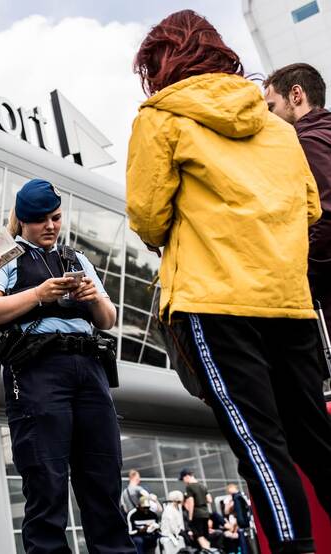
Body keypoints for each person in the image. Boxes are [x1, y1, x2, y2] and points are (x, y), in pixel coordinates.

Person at [127, 10, 331, 554]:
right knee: (316, 441)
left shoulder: (160, 117)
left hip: (213, 301)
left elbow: (147, 217)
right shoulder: (278, 127)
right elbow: (310, 208)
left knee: (259, 445)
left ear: (159, 65)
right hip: (288, 303)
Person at [0, 178, 133, 554]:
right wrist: (39, 295)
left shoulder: (77, 259)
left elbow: (108, 318)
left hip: (89, 369)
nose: (51, 226)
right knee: (46, 484)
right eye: (41, 220)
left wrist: (94, 298)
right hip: (37, 370)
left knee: (104, 480)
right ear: (23, 221)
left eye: (56, 218)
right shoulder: (4, 250)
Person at [264, 63, 331, 339]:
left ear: (296, 95)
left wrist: (299, 281)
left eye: (271, 107)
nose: (268, 118)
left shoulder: (307, 142)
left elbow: (324, 218)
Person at [180, 469, 213, 551]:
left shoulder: (189, 487)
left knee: (199, 536)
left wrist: (190, 517)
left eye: (183, 479)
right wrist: (201, 500)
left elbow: (191, 502)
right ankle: (210, 550)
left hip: (196, 514)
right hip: (205, 513)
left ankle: (208, 552)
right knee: (205, 536)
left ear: (187, 476)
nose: (184, 481)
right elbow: (209, 500)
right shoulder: (202, 485)